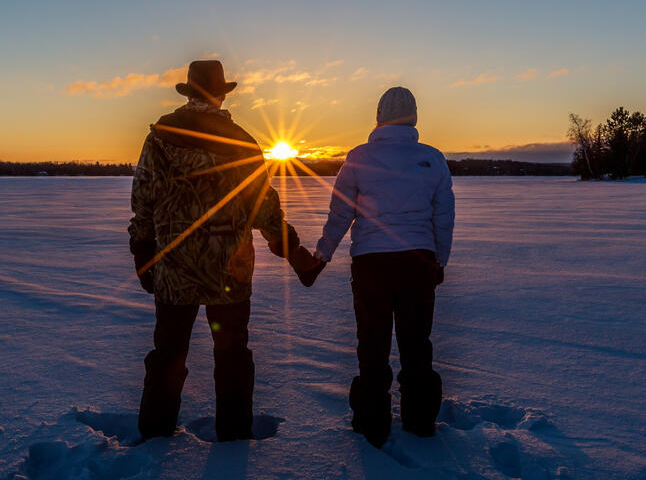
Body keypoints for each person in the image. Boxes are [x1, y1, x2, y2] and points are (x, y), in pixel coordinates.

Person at [128, 60, 323, 442]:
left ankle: (154, 434)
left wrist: (142, 251)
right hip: (229, 273)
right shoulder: (242, 142)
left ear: (189, 92)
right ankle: (234, 436)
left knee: (169, 352)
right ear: (220, 95)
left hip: (174, 269)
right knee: (232, 354)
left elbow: (143, 200)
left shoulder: (159, 137)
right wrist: (292, 249)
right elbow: (263, 207)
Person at [314, 86, 455, 447]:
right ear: (414, 117)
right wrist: (440, 259)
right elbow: (444, 217)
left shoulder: (358, 158)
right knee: (416, 343)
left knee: (372, 344)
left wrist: (322, 254)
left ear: (378, 117)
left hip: (371, 264)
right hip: (418, 261)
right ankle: (420, 421)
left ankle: (371, 421)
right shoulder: (432, 158)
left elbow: (340, 214)